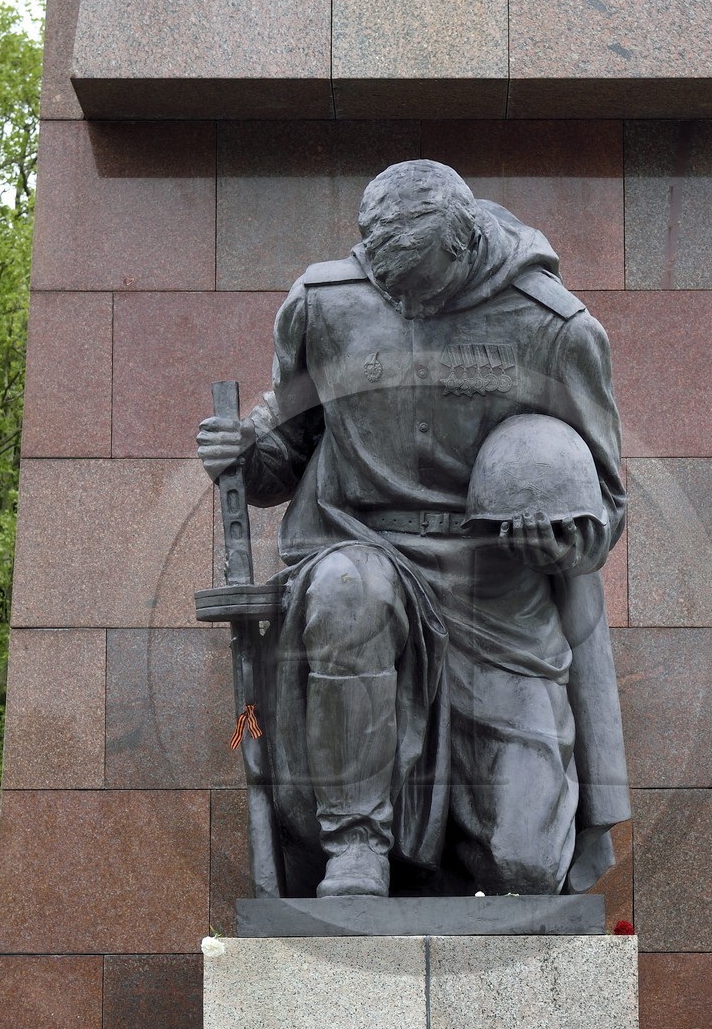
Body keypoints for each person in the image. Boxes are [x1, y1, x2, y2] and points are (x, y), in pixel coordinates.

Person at [197, 159, 628, 899]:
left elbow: (606, 505)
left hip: (495, 589)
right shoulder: (324, 303)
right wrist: (245, 454)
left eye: (417, 286)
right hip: (357, 545)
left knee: (526, 866)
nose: (400, 301)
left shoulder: (554, 326)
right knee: (344, 587)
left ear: (464, 246)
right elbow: (286, 461)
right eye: (387, 283)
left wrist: (557, 539)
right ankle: (355, 844)